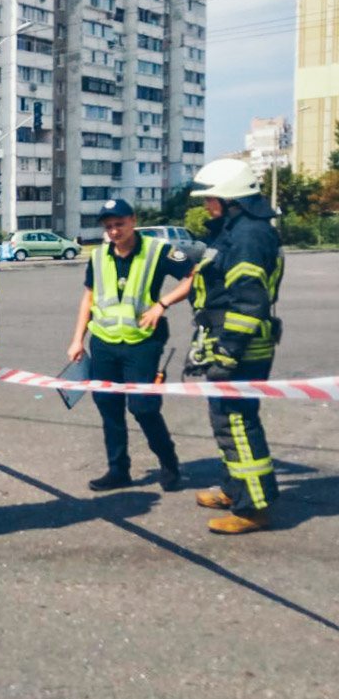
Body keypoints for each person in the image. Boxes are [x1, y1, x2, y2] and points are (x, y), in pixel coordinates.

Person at [66, 198, 193, 492]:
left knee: (143, 407)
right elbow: (89, 297)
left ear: (133, 220)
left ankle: (169, 463)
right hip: (105, 342)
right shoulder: (98, 256)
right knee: (108, 406)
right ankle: (118, 469)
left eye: (119, 224)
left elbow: (192, 276)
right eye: (108, 226)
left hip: (142, 342)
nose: (114, 231)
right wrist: (77, 339)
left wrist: (162, 304)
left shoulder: (158, 250)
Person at [187, 158, 284, 534]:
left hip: (241, 349)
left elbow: (248, 302)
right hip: (229, 343)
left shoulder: (248, 236)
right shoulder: (237, 230)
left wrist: (227, 353)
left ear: (234, 199)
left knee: (238, 425)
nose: (207, 205)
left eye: (212, 199)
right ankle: (234, 489)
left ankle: (253, 507)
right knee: (226, 421)